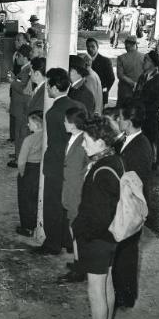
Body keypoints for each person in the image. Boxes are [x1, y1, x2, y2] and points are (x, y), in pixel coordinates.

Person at [72, 116, 123, 319]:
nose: (83, 144)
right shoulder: (115, 160)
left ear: (100, 143)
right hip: (112, 236)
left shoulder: (100, 171)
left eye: (86, 139)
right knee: (107, 285)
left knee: (95, 292)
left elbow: (98, 215)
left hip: (97, 240)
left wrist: (81, 235)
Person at [33, 68, 84, 256]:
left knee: (53, 203)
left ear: (54, 87)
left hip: (56, 162)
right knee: (70, 202)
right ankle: (69, 241)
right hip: (76, 162)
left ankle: (53, 243)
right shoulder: (79, 106)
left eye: (48, 85)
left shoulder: (52, 112)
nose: (46, 88)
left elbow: (54, 142)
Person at [114, 101, 153, 309]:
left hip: (131, 207)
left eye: (120, 118)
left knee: (127, 254)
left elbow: (131, 180)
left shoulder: (138, 147)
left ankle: (125, 296)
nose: (117, 120)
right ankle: (122, 291)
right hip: (128, 205)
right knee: (123, 252)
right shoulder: (132, 139)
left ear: (128, 123)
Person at [57, 107, 89, 283]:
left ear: (73, 124)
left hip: (76, 192)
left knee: (76, 229)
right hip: (70, 191)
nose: (63, 123)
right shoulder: (74, 138)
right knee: (73, 228)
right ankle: (78, 261)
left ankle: (80, 268)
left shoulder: (83, 141)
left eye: (65, 120)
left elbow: (79, 171)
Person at [133, 50, 159, 165]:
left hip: (150, 119)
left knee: (150, 143)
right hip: (138, 117)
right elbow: (136, 95)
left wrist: (144, 111)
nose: (143, 62)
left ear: (152, 63)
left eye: (146, 60)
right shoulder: (142, 77)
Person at [16, 111, 44, 237]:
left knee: (25, 199)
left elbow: (21, 161)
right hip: (40, 169)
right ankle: (38, 223)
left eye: (30, 122)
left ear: (37, 124)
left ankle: (27, 226)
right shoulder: (46, 136)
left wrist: (21, 173)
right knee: (36, 198)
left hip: (29, 169)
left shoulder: (29, 139)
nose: (28, 125)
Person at [8, 44, 34, 168]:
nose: (16, 58)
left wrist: (12, 82)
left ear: (24, 57)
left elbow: (23, 88)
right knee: (20, 133)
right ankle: (18, 154)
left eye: (18, 56)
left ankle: (19, 158)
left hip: (22, 108)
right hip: (20, 107)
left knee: (21, 133)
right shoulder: (25, 69)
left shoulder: (27, 70)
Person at [116, 36, 144, 107]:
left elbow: (120, 75)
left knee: (122, 114)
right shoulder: (144, 57)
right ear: (135, 45)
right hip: (139, 91)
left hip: (124, 91)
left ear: (127, 45)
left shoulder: (121, 58)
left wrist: (133, 83)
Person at [87, 38, 115, 106]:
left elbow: (111, 79)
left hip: (100, 95)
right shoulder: (84, 61)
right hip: (87, 95)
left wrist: (103, 90)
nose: (90, 49)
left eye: (93, 46)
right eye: (88, 47)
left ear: (97, 47)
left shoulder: (105, 61)